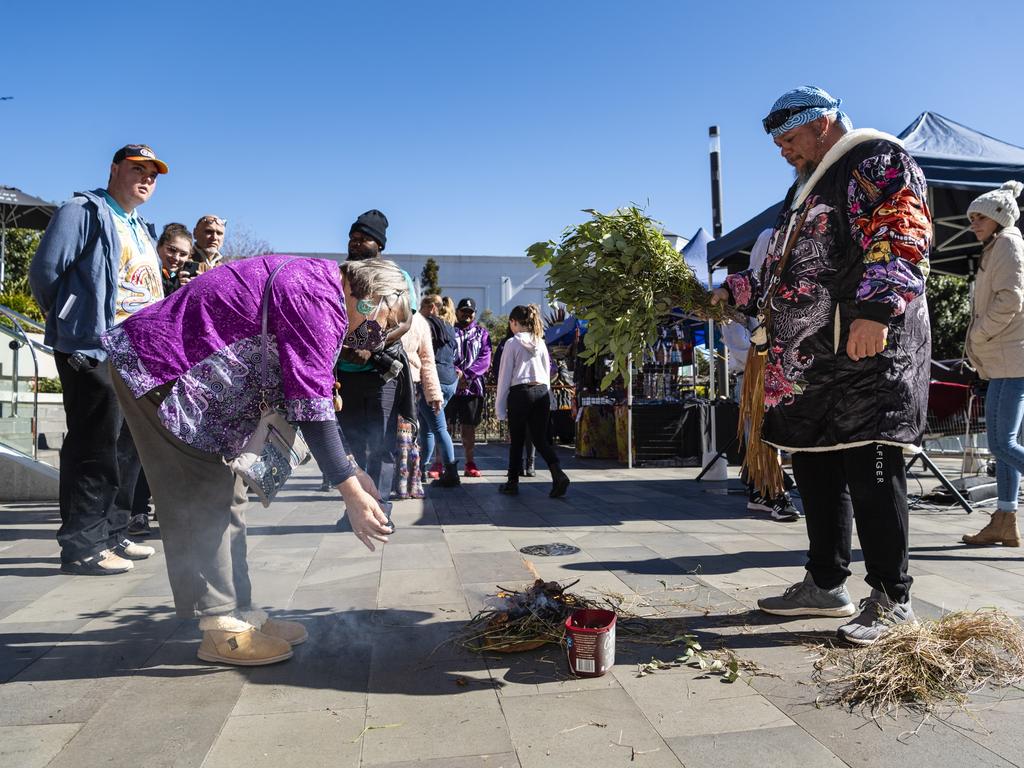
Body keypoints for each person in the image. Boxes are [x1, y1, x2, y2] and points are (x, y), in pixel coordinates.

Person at [711, 86, 932, 645]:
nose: (784, 151)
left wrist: (877, 310)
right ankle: (826, 583)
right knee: (815, 465)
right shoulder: (804, 190)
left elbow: (902, 233)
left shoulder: (875, 159)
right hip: (812, 364)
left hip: (864, 350)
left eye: (789, 139)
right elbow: (786, 269)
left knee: (869, 465)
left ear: (823, 124)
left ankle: (891, 596)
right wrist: (734, 290)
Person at [103, 254, 393, 665]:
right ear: (367, 300)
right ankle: (220, 628)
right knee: (201, 495)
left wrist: (353, 469)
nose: (368, 335)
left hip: (182, 372)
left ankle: (241, 611)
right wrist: (350, 491)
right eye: (375, 322)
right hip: (162, 370)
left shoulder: (320, 284)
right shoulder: (318, 295)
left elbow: (316, 399)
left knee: (228, 495)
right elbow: (311, 404)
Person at [29, 143, 168, 575]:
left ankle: (113, 532)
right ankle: (82, 546)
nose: (146, 178)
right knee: (94, 447)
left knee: (128, 447)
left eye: (153, 173)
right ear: (114, 169)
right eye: (137, 168)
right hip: (93, 348)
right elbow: (45, 273)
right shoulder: (82, 211)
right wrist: (71, 321)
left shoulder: (140, 225)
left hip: (136, 353)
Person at [330, 210, 416, 497]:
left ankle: (381, 507)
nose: (355, 243)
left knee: (380, 445)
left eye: (364, 238)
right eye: (352, 237)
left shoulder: (397, 277)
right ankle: (357, 507)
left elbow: (404, 322)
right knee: (351, 447)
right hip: (345, 376)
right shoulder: (339, 275)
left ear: (380, 245)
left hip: (382, 373)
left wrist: (371, 346)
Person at [719, 228, 800, 522]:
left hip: (780, 375)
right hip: (755, 377)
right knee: (763, 439)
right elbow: (737, 343)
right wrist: (763, 356)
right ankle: (769, 494)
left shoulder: (786, 291)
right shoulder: (743, 293)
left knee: (775, 438)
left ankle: (770, 489)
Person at [962, 182, 1024, 547]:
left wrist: (980, 336)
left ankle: (1004, 519)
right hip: (1003, 359)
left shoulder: (1007, 244)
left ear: (999, 217)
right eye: (971, 217)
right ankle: (1004, 520)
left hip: (1012, 357)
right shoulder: (997, 246)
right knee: (1003, 445)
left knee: (1002, 444)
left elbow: (1009, 300)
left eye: (980, 216)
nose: (973, 223)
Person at [494, 304, 570, 498]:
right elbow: (546, 373)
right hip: (541, 391)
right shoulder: (540, 342)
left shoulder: (512, 343)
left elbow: (504, 377)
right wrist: (549, 398)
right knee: (540, 439)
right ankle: (558, 473)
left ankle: (512, 482)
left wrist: (500, 408)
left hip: (520, 392)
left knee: (517, 440)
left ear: (514, 322)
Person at [419, 294, 460, 486]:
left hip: (432, 382)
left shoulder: (424, 325)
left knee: (438, 428)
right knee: (428, 428)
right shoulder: (449, 326)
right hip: (450, 380)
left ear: (430, 308)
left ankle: (451, 472)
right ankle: (421, 470)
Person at [447, 297, 491, 477]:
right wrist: (457, 373)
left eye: (470, 311)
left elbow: (485, 358)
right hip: (450, 385)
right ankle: (441, 462)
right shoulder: (449, 331)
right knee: (445, 426)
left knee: (469, 427)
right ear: (457, 311)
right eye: (463, 310)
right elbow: (444, 354)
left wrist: (467, 375)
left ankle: (469, 462)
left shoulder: (482, 333)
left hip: (473, 389)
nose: (466, 314)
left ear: (474, 313)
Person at [494, 325, 537, 476]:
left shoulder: (510, 343)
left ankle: (521, 466)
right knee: (527, 431)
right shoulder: (537, 341)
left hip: (515, 389)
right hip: (532, 390)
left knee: (519, 431)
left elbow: (499, 369)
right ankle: (525, 465)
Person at [157, 223, 196, 296]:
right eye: (172, 250)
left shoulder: (181, 278)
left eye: (183, 254)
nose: (176, 258)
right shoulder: (148, 273)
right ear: (159, 246)